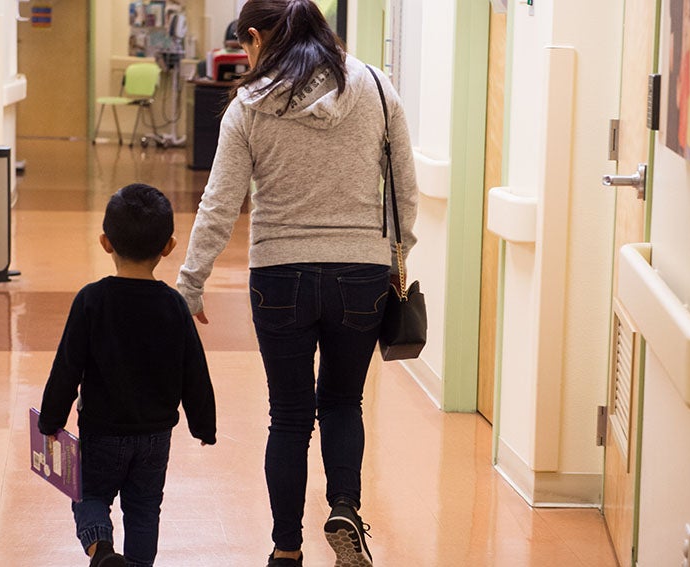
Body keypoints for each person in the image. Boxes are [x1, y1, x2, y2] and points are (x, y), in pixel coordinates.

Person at [176, 1, 418, 565]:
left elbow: (219, 203)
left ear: (257, 38)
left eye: (244, 45)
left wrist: (192, 283)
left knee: (288, 414)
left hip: (279, 274)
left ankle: (286, 549)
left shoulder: (249, 106)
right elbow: (405, 188)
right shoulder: (377, 89)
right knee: (342, 401)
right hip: (360, 273)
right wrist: (394, 255)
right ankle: (344, 508)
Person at [39, 183, 217, 567]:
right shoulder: (174, 305)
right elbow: (195, 373)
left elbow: (67, 367)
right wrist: (205, 426)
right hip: (155, 436)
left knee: (90, 496)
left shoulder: (92, 300)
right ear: (168, 246)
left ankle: (102, 551)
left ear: (105, 242)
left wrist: (51, 420)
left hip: (103, 431)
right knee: (144, 510)